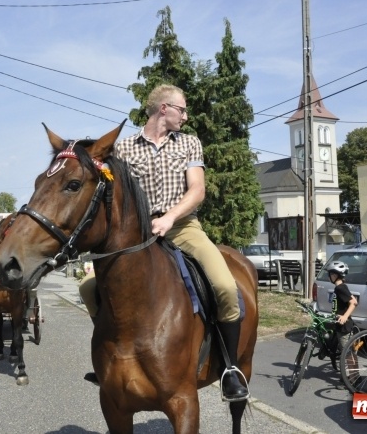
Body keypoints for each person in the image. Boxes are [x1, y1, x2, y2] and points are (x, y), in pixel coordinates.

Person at [80, 83, 248, 401]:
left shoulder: (189, 144)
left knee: (225, 286)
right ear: (164, 109)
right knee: (88, 288)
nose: (186, 116)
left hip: (183, 228)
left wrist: (170, 217)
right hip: (139, 236)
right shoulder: (125, 149)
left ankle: (229, 368)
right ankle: (107, 360)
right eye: (182, 109)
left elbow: (197, 190)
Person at [325, 261, 357, 354]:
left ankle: (351, 368)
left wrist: (345, 316)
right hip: (338, 323)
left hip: (344, 326)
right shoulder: (340, 287)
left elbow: (354, 302)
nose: (328, 276)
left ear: (335, 275)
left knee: (347, 353)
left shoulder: (340, 288)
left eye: (329, 274)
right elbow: (353, 298)